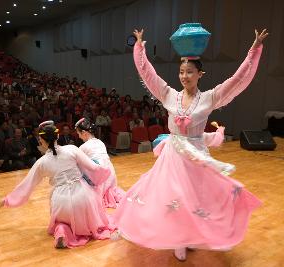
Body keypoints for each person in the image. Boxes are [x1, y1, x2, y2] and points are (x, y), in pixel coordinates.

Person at [113, 28, 267, 261]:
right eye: (181, 72)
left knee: (196, 198)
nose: (184, 76)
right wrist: (140, 48)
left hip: (196, 156)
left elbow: (237, 81)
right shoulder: (169, 95)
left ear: (200, 74)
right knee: (175, 198)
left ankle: (191, 235)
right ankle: (179, 240)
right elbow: (148, 74)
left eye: (190, 72)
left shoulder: (209, 98)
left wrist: (254, 50)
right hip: (174, 156)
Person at [0, 121, 115, 248]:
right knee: (93, 218)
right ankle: (74, 230)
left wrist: (5, 201)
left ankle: (62, 231)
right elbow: (94, 168)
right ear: (58, 137)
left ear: (42, 141)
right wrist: (107, 169)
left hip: (61, 201)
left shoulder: (41, 162)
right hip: (82, 196)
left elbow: (25, 187)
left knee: (62, 222)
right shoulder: (72, 150)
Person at [75, 118, 125, 208]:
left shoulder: (83, 147)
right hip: (110, 174)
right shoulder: (100, 142)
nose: (78, 136)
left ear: (84, 133)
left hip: (99, 176)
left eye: (78, 133)